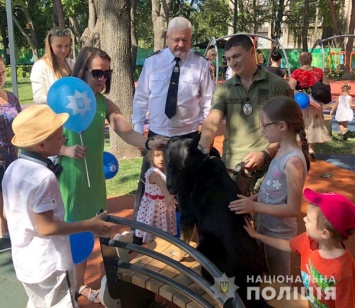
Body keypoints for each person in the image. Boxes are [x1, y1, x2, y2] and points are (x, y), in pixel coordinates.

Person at [58, 46, 167, 303]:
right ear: (82, 70)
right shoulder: (64, 97)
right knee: (71, 235)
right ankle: (67, 290)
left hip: (94, 180)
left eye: (107, 73)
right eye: (97, 72)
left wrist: (149, 143)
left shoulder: (103, 103)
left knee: (94, 230)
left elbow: (126, 131)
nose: (102, 79)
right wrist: (65, 148)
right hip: (70, 179)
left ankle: (80, 285)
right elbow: (42, 139)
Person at [2, 104, 115, 308]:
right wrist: (90, 224)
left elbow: (8, 211)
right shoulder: (44, 177)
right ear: (42, 145)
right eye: (59, 137)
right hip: (49, 264)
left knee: (38, 303)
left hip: (25, 261)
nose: (64, 140)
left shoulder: (13, 168)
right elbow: (46, 228)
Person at [132, 16, 214, 225]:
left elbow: (208, 102)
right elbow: (141, 98)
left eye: (185, 40)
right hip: (157, 135)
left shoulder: (201, 64)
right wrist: (138, 132)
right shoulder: (153, 62)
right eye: (176, 39)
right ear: (167, 38)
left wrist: (206, 137)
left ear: (191, 39)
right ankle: (141, 232)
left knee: (187, 189)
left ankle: (186, 233)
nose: (181, 45)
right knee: (149, 185)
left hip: (187, 137)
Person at [198, 34, 292, 196]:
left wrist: (265, 154)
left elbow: (290, 130)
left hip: (270, 168)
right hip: (232, 169)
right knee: (234, 219)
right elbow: (212, 123)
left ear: (252, 51)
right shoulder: (224, 89)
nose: (232, 63)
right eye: (228, 59)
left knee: (267, 219)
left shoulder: (278, 86)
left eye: (236, 56)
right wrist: (199, 155)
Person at [228, 96, 310, 279]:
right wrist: (252, 200)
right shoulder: (281, 150)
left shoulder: (293, 161)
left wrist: (254, 207)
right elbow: (271, 190)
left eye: (265, 125)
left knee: (279, 282)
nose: (262, 130)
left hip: (279, 234)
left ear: (282, 126)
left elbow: (293, 208)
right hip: (264, 225)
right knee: (264, 274)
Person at [244, 188, 355, 307]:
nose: (304, 219)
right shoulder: (308, 241)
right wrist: (257, 235)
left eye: (309, 219)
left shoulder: (343, 272)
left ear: (324, 233)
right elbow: (286, 245)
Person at [288, 52, 331, 161]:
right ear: (311, 60)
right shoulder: (319, 72)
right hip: (316, 103)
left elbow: (290, 88)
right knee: (313, 124)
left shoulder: (296, 73)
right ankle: (311, 149)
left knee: (301, 124)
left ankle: (301, 149)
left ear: (300, 61)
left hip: (301, 103)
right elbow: (326, 85)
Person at [135, 149, 177, 244]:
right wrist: (168, 196)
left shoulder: (167, 172)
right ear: (151, 157)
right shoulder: (153, 172)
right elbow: (162, 185)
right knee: (153, 232)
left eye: (164, 155)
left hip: (165, 207)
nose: (161, 159)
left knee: (165, 233)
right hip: (154, 209)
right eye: (157, 155)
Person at [0, 57, 21, 239]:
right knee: (3, 208)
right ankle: (5, 239)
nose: (0, 76)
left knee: (13, 202)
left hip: (13, 158)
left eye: (2, 72)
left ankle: (10, 240)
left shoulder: (12, 97)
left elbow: (22, 123)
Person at [30, 27, 75, 104]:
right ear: (50, 45)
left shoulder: (73, 64)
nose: (64, 50)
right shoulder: (40, 66)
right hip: (51, 114)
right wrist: (62, 98)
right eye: (59, 46)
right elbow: (38, 99)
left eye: (67, 46)